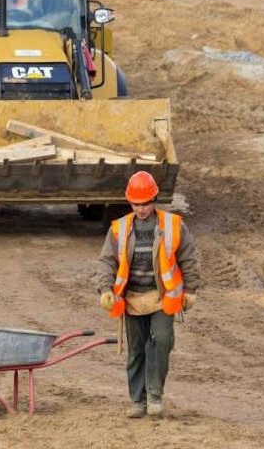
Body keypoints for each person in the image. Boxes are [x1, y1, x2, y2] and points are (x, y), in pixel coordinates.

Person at [95, 171, 201, 419]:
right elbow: (106, 262)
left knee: (161, 342)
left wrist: (191, 290)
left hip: (162, 298)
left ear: (154, 200)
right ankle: (138, 401)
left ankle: (155, 396)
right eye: (136, 204)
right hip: (132, 300)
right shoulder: (119, 229)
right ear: (130, 202)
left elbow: (189, 258)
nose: (141, 209)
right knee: (137, 351)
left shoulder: (173, 226)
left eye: (145, 204)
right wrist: (105, 289)